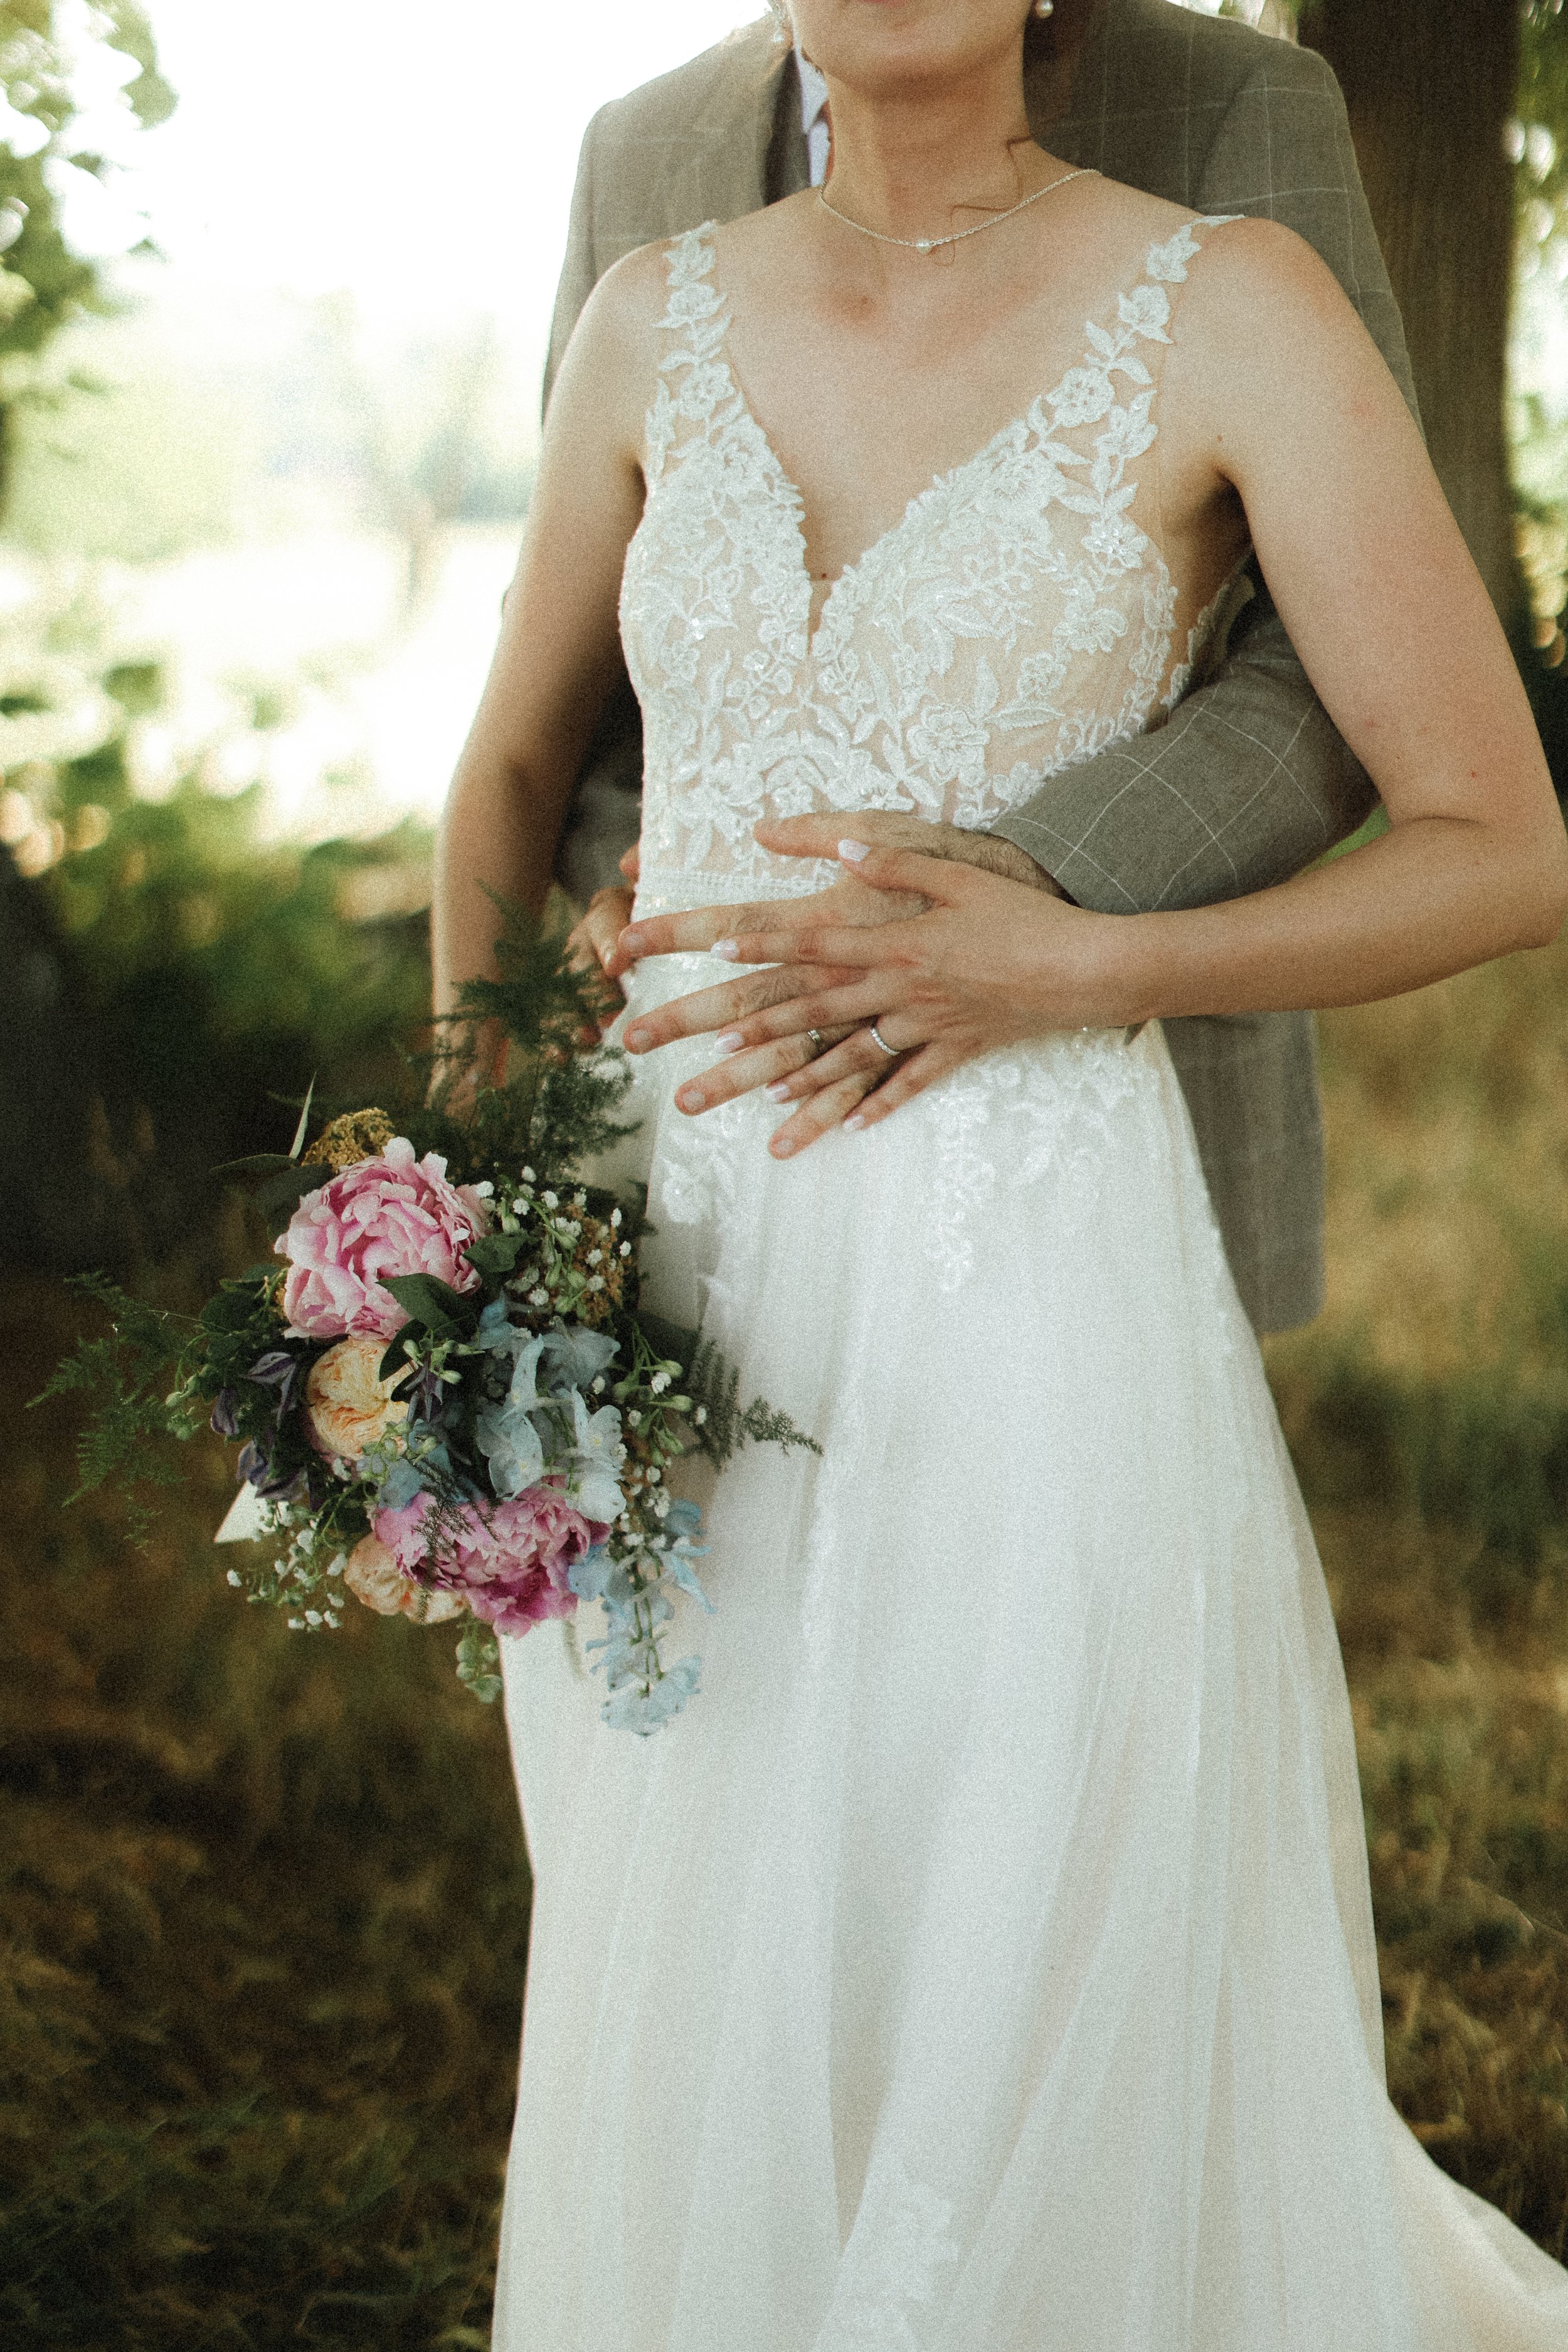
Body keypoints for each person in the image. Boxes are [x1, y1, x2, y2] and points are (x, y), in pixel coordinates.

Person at [434, 1, 1568, 2343]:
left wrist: (1085, 964)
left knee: (1012, 1911)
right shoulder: (656, 312)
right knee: (698, 1896)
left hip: (1030, 1263)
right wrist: (476, 1219)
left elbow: (1497, 835)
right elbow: (503, 789)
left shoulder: (1229, 296)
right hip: (674, 1263)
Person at [548, 0, 1419, 1338]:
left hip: (1030, 1188)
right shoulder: (644, 266)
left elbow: (1368, 708)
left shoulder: (1229, 258)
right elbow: (577, 697)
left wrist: (1065, 948)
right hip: (675, 1169)